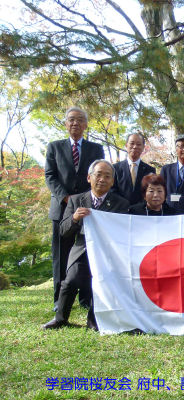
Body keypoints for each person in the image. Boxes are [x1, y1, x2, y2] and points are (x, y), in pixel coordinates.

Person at [43, 160, 129, 331]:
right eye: (98, 175)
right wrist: (74, 219)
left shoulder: (121, 204)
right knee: (71, 280)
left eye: (107, 176)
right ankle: (60, 318)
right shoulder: (76, 200)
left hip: (108, 253)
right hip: (82, 250)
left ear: (112, 181)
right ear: (89, 177)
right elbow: (63, 231)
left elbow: (124, 232)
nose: (102, 179)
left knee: (101, 282)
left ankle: (94, 320)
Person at [45, 107, 105, 309]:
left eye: (80, 120)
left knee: (87, 252)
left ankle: (86, 298)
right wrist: (65, 198)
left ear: (86, 124)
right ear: (65, 124)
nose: (75, 124)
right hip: (61, 209)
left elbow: (99, 173)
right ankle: (59, 300)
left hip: (88, 210)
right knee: (61, 255)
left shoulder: (95, 148)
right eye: (71, 120)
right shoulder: (55, 147)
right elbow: (50, 176)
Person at [112, 132, 156, 205]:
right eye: (132, 143)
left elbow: (150, 191)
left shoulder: (150, 170)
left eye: (138, 144)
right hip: (120, 210)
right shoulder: (115, 168)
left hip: (141, 211)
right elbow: (112, 190)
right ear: (126, 145)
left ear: (143, 148)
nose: (135, 146)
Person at [160, 135, 184, 206]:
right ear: (176, 149)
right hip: (169, 211)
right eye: (181, 146)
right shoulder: (166, 170)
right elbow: (160, 191)